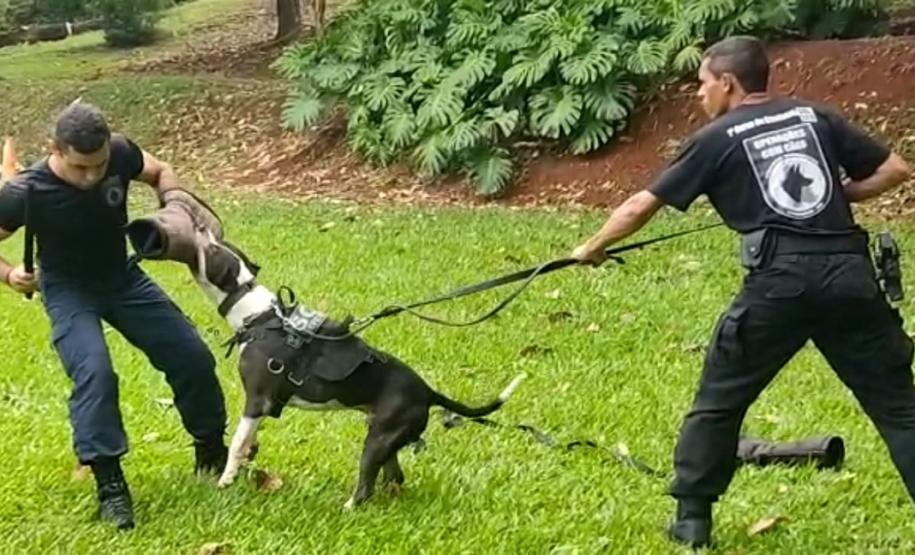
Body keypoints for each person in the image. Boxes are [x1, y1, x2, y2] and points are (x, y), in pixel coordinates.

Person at [569, 35, 913, 548]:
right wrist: (840, 195)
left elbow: (641, 206)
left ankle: (691, 522)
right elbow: (895, 170)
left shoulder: (717, 137)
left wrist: (591, 247)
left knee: (720, 401)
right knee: (899, 408)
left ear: (727, 82)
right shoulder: (815, 117)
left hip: (777, 285)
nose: (699, 95)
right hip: (849, 277)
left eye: (703, 84)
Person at [0, 101, 229, 531]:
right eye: (80, 167)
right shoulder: (24, 192)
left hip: (122, 278)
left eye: (99, 165)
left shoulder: (121, 153)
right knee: (96, 373)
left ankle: (211, 448)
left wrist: (174, 201)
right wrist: (11, 273)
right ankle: (110, 486)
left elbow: (160, 170)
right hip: (69, 290)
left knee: (191, 355)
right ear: (55, 148)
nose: (92, 177)